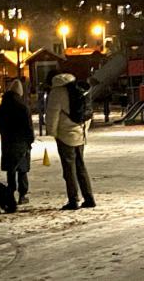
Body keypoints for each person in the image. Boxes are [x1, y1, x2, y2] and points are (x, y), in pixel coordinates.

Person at [46, 73, 95, 210]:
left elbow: (52, 115)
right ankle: (89, 198)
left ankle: (73, 200)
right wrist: (83, 131)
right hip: (80, 133)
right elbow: (89, 113)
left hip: (65, 136)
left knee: (69, 169)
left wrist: (53, 133)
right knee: (81, 166)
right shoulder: (80, 89)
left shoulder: (56, 92)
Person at [0, 79, 34, 204]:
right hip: (21, 141)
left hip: (8, 142)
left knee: (10, 169)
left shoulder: (3, 106)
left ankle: (10, 192)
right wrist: (30, 140)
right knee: (22, 169)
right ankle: (22, 195)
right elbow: (28, 126)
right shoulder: (23, 107)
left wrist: (5, 135)